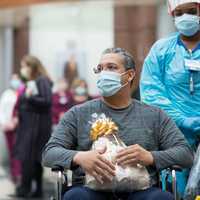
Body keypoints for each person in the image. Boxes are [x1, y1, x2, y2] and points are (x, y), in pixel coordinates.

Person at [42, 48, 193, 200]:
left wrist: (150, 157)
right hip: (90, 190)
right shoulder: (77, 114)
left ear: (129, 75)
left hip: (142, 190)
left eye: (111, 67)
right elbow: (49, 153)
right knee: (76, 196)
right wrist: (79, 157)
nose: (104, 73)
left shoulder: (155, 116)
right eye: (100, 68)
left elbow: (185, 154)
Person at [140, 0, 200, 196]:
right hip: (171, 134)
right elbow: (151, 92)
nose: (185, 17)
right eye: (179, 13)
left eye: (191, 11)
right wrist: (181, 120)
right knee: (176, 188)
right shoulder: (161, 50)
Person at [14, 55, 52, 198]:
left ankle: (28, 190)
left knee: (31, 159)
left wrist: (29, 97)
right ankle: (32, 190)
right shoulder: (33, 81)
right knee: (31, 159)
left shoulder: (42, 80)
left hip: (36, 129)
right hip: (29, 127)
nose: (22, 69)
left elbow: (47, 101)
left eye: (24, 66)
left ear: (32, 67)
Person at [0, 74, 22, 183]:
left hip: (19, 127)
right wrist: (4, 123)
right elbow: (2, 110)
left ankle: (19, 174)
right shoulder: (6, 94)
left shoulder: (22, 93)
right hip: (8, 126)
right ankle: (15, 174)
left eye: (17, 79)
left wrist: (17, 121)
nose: (15, 81)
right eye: (13, 79)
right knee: (12, 151)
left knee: (19, 150)